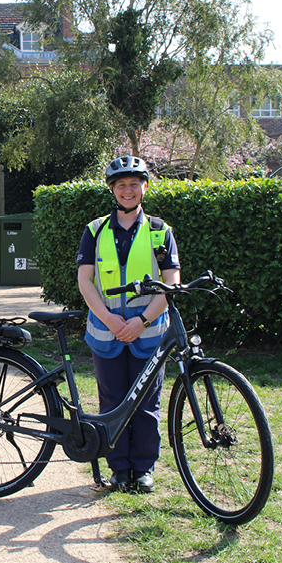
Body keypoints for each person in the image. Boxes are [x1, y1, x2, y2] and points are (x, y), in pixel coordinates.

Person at [76, 156, 180, 494]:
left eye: (134, 184)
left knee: (146, 403)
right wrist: (109, 318)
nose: (128, 190)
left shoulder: (160, 231)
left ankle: (143, 469)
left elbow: (171, 282)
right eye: (121, 185)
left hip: (147, 332)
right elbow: (85, 281)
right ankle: (119, 469)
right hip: (106, 332)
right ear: (112, 190)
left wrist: (141, 320)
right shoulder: (94, 231)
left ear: (145, 187)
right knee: (112, 401)